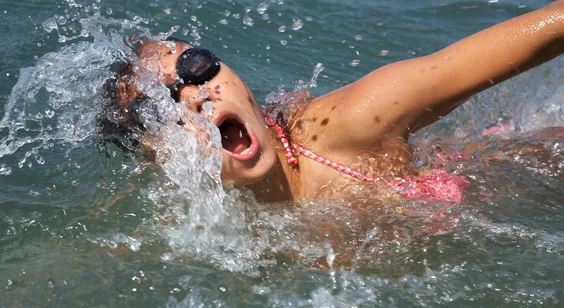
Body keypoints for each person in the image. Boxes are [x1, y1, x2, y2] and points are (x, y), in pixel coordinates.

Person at [100, 1, 564, 204]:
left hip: (534, 177)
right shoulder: (181, 226)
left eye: (195, 65)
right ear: (153, 156)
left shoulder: (353, 124)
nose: (196, 94)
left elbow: (548, 26)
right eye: (158, 105)